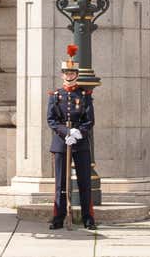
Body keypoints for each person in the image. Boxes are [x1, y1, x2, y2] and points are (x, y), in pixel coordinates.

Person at [46, 44, 96, 230]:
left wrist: (78, 133)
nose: (69, 75)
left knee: (84, 182)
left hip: (80, 143)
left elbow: (89, 120)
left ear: (76, 74)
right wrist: (66, 133)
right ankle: (58, 217)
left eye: (71, 73)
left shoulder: (84, 95)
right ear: (62, 74)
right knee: (60, 183)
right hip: (61, 142)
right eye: (66, 73)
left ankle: (87, 218)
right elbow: (51, 120)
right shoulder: (55, 95)